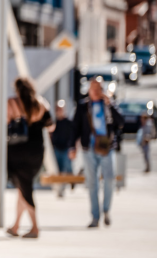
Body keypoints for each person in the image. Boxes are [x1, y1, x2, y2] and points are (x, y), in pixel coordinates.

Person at [5, 77, 54, 239]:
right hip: (36, 151)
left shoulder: (12, 103)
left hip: (16, 151)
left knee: (26, 189)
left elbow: (4, 123)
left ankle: (35, 227)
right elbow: (51, 125)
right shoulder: (40, 104)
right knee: (23, 188)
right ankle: (16, 226)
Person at [72, 78, 124, 228]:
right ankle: (95, 216)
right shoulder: (83, 107)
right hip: (89, 148)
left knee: (109, 180)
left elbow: (120, 122)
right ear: (88, 90)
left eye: (98, 88)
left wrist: (110, 104)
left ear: (103, 90)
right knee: (92, 183)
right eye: (92, 88)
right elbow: (76, 128)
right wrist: (72, 147)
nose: (95, 91)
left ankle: (106, 209)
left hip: (107, 148)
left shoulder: (108, 105)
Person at [50, 101, 77, 197]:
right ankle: (60, 190)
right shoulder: (54, 123)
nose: (59, 111)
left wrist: (74, 148)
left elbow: (74, 136)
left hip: (66, 149)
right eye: (57, 109)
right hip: (57, 148)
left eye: (60, 109)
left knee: (67, 169)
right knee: (59, 170)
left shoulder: (69, 122)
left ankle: (72, 181)